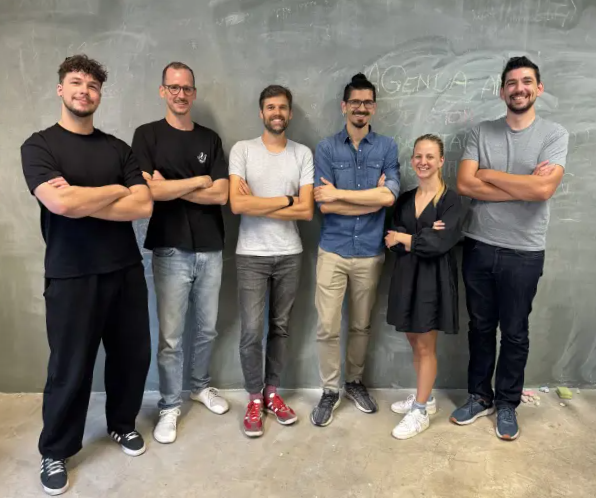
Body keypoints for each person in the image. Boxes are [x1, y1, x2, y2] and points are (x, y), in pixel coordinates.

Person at [20, 55, 153, 496]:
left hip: (124, 269)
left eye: (93, 85)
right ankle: (55, 450)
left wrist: (83, 198)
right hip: (71, 274)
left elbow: (143, 205)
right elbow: (60, 204)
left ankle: (121, 424)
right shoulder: (39, 146)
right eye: (77, 82)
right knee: (69, 368)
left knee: (132, 358)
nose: (85, 90)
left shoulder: (118, 148)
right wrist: (116, 189)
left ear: (100, 95)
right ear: (61, 89)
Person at [452, 56, 569, 440]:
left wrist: (488, 175)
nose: (519, 88)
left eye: (527, 81)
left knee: (515, 332)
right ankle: (478, 396)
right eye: (512, 83)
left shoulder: (554, 135)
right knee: (481, 328)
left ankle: (506, 403)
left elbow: (543, 189)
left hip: (524, 251)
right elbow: (465, 184)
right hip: (479, 245)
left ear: (539, 88)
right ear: (502, 91)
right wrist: (521, 185)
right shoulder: (480, 132)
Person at [132, 62, 230, 445]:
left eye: (187, 88)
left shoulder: (210, 138)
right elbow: (148, 191)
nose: (180, 94)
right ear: (163, 91)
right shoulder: (147, 135)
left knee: (207, 328)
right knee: (171, 337)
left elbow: (221, 195)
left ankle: (200, 386)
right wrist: (198, 181)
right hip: (170, 247)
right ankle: (170, 405)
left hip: (211, 246)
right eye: (173, 87)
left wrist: (173, 186)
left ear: (194, 93)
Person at [310, 73, 400, 427]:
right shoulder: (327, 148)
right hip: (332, 250)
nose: (361, 108)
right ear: (344, 106)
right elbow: (325, 205)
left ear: (373, 108)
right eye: (355, 102)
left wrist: (341, 194)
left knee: (361, 325)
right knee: (327, 327)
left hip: (370, 253)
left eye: (367, 102)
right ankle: (330, 390)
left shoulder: (387, 147)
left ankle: (354, 382)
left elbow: (389, 197)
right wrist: (370, 200)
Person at [228, 85, 314, 437]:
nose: (276, 112)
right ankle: (253, 398)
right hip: (251, 254)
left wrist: (260, 203)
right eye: (270, 107)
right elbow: (237, 205)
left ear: (289, 113)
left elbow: (307, 211)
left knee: (280, 328)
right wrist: (286, 200)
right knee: (251, 331)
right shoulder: (243, 150)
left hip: (290, 254)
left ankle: (272, 393)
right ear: (261, 112)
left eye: (282, 107)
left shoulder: (302, 154)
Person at [385, 134, 463, 439]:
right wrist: (421, 236)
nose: (423, 162)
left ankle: (420, 411)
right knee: (413, 339)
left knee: (426, 345)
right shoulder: (405, 199)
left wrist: (407, 238)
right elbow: (391, 239)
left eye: (430, 156)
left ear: (441, 161)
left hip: (433, 280)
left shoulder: (451, 201)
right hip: (406, 277)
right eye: (418, 156)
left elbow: (439, 244)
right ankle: (426, 397)